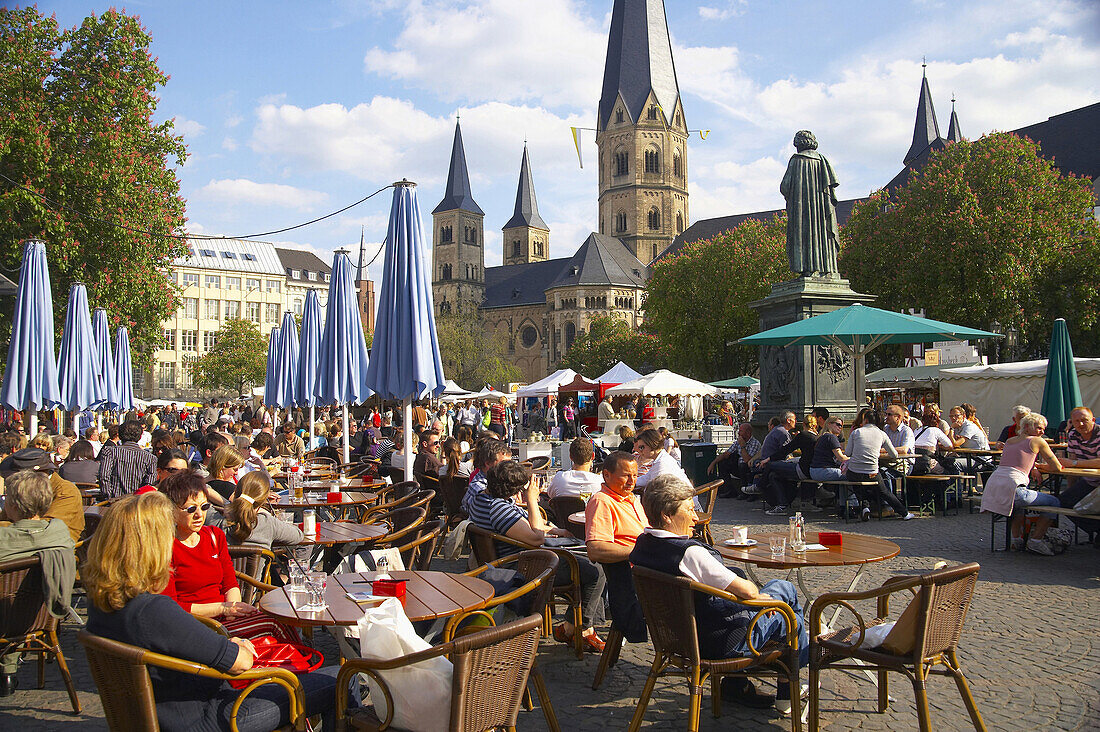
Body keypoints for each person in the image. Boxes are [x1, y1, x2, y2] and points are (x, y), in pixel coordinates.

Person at [83, 490, 337, 731]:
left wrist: (226, 642)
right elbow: (239, 663)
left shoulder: (102, 603)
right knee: (340, 680)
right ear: (151, 546)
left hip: (155, 716)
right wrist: (239, 647)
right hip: (211, 716)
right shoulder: (152, 610)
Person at [630, 474, 808, 713]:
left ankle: (742, 685)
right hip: (722, 641)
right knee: (791, 614)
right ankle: (791, 681)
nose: (695, 517)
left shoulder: (642, 545)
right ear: (666, 515)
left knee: (780, 590)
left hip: (676, 639)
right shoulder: (689, 554)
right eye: (689, 509)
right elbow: (747, 590)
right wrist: (759, 601)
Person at [467, 460, 606, 652]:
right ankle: (576, 628)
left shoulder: (482, 499)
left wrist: (554, 530)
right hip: (523, 568)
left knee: (586, 559)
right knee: (596, 570)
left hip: (515, 559)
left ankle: (580, 626)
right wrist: (532, 500)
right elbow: (536, 538)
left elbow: (521, 527)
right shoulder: (498, 509)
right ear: (513, 490)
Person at [159, 470, 298, 643]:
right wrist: (224, 609)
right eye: (191, 509)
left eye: (204, 507)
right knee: (274, 625)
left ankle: (296, 668)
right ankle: (302, 668)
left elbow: (230, 583)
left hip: (224, 619)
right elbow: (170, 607)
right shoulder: (165, 546)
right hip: (194, 625)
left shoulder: (214, 535)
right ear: (170, 509)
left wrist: (233, 611)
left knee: (282, 621)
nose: (199, 515)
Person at [0, 470, 77, 696]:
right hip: (39, 617)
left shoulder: (4, 540)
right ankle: (8, 668)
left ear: (13, 504)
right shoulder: (59, 533)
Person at [584, 451, 649, 643]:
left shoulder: (631, 500)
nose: (631, 481)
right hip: (638, 577)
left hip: (646, 568)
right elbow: (595, 549)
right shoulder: (603, 501)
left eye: (635, 476)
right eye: (626, 475)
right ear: (607, 475)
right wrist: (641, 553)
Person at [982, 412, 1064, 555]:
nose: (1042, 432)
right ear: (1026, 427)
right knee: (1054, 502)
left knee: (1016, 506)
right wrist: (1041, 467)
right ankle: (1036, 541)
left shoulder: (1010, 441)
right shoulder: (1038, 441)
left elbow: (1018, 461)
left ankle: (1016, 540)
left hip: (994, 488)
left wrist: (1034, 467)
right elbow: (1057, 467)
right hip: (1015, 488)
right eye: (1039, 428)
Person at [780, 129, 839, 278]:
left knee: (804, 235)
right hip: (821, 212)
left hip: (802, 211)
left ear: (798, 145)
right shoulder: (823, 161)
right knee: (822, 235)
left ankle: (807, 269)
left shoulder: (796, 161)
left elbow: (785, 186)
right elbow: (831, 187)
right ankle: (827, 268)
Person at [845, 408, 915, 521]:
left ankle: (865, 508)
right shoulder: (882, 434)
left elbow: (848, 453)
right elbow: (894, 454)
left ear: (865, 420)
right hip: (872, 471)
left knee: (857, 485)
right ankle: (904, 513)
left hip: (854, 471)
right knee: (884, 491)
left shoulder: (856, 432)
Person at [221, 471, 304, 550]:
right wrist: (264, 511)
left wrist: (228, 506)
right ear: (264, 498)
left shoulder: (219, 521)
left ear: (236, 492)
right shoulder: (267, 522)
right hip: (259, 564)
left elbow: (208, 490)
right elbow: (298, 535)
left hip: (226, 565)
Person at [759, 414, 819, 515]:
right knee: (774, 475)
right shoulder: (816, 437)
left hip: (802, 470)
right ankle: (782, 505)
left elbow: (786, 450)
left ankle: (759, 486)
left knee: (771, 465)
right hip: (813, 469)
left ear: (803, 424)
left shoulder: (803, 435)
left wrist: (767, 459)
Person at [1058, 407, 1100, 540]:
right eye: (1077, 421)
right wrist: (1071, 487)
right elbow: (1072, 459)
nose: (1081, 424)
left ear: (1093, 420)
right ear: (1072, 422)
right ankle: (1097, 529)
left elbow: (1074, 463)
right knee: (1063, 502)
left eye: (1084, 420)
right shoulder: (1073, 435)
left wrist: (1074, 464)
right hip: (1089, 481)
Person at [97, 420, 157, 499]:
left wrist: (109, 497)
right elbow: (149, 485)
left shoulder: (110, 451)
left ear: (120, 435)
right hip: (137, 503)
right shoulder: (150, 458)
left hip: (114, 502)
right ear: (140, 436)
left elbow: (104, 476)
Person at [707, 423, 761, 498]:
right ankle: (728, 490)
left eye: (741, 431)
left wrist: (742, 446)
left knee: (743, 466)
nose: (738, 433)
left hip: (748, 468)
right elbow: (726, 454)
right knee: (723, 463)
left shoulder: (755, 443)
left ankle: (744, 493)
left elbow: (747, 460)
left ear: (748, 433)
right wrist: (713, 463)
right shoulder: (738, 442)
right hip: (738, 467)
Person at [461, 438, 511, 513]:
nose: (509, 468)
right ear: (488, 463)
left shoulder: (497, 482)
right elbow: (500, 511)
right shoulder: (480, 487)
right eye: (503, 464)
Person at [633, 427, 690, 491]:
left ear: (652, 445)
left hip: (680, 499)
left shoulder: (662, 463)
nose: (640, 451)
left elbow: (653, 490)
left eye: (641, 447)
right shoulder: (661, 458)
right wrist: (631, 483)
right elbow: (647, 477)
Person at [810, 417, 850, 482]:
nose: (840, 427)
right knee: (854, 475)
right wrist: (856, 460)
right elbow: (841, 458)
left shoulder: (822, 437)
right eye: (838, 424)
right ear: (829, 424)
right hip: (823, 471)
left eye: (841, 426)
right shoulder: (831, 437)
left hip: (814, 471)